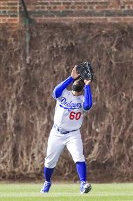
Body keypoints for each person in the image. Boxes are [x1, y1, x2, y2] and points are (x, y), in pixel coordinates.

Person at [40, 65, 93, 194]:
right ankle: (47, 181)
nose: (77, 83)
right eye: (76, 81)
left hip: (73, 134)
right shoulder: (64, 93)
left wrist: (87, 86)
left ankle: (83, 184)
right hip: (56, 133)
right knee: (50, 161)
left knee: (79, 157)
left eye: (79, 82)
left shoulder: (82, 100)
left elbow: (88, 105)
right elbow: (55, 92)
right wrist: (71, 78)